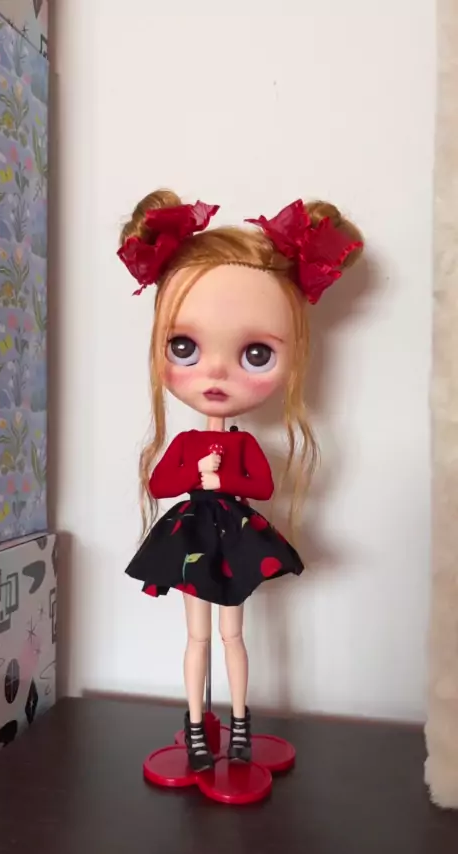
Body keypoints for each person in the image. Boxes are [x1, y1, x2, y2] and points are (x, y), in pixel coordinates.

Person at [118, 190, 363, 771]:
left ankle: (242, 721)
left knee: (233, 634)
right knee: (197, 637)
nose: (216, 372)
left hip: (232, 539)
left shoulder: (244, 444)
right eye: (184, 347)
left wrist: (219, 477)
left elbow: (261, 487)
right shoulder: (187, 442)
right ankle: (195, 723)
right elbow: (161, 484)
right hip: (190, 538)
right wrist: (198, 475)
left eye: (255, 353)